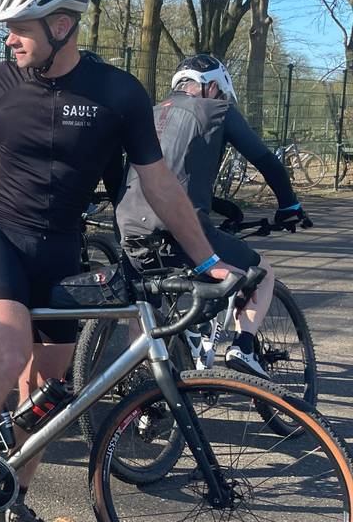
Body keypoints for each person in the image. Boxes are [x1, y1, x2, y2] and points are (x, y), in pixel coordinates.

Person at [0, 0, 233, 522]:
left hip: (61, 247)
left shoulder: (118, 94)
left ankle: (9, 493)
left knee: (48, 391)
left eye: (19, 29)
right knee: (9, 351)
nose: (9, 40)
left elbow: (161, 183)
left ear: (61, 26)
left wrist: (207, 260)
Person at [114, 53, 310, 378]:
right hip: (182, 231)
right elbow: (267, 161)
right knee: (261, 271)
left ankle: (144, 395)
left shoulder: (149, 113)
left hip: (130, 229)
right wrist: (289, 206)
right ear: (213, 86)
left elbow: (172, 176)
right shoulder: (218, 110)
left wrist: (224, 207)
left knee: (145, 309)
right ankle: (243, 348)